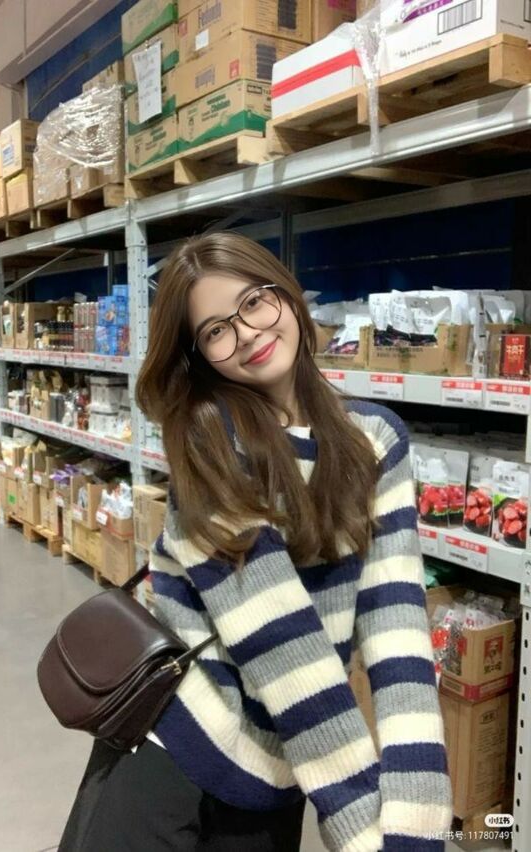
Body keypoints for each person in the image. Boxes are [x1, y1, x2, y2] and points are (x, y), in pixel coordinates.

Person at [59, 233, 452, 851]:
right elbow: (280, 643)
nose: (245, 334)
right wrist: (361, 827)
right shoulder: (208, 441)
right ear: (200, 356)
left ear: (286, 294)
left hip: (281, 766)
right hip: (176, 745)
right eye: (216, 330)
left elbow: (396, 626)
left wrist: (419, 819)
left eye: (253, 303)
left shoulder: (377, 440)